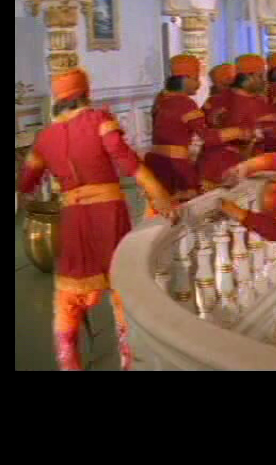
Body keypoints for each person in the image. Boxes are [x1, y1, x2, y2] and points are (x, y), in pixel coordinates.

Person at [18, 68, 176, 371]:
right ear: (85, 93)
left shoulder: (45, 137)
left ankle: (69, 361)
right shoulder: (98, 121)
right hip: (108, 214)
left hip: (72, 218)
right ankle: (130, 359)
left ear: (57, 100)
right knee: (120, 282)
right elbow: (127, 160)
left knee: (70, 292)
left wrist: (29, 193)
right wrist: (158, 193)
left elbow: (26, 182)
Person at [145, 55, 250, 205]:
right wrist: (238, 132)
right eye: (196, 78)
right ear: (185, 79)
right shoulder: (185, 102)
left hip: (156, 161)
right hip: (175, 164)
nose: (199, 83)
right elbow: (208, 137)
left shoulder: (162, 98)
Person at [197, 54, 276, 191]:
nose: (265, 81)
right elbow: (275, 135)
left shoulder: (213, 100)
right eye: (261, 76)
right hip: (233, 169)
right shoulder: (256, 103)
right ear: (251, 77)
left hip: (206, 164)